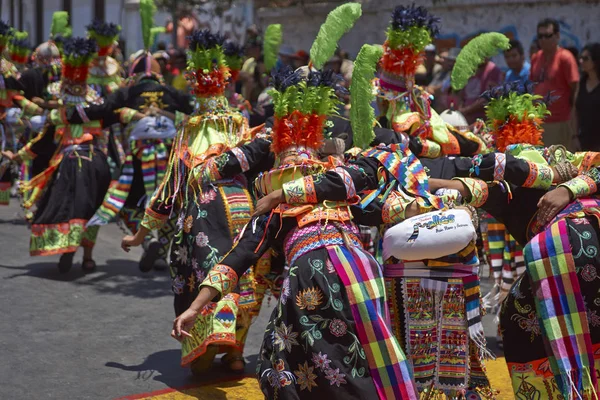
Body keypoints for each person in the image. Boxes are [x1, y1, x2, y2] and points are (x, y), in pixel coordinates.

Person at [121, 30, 263, 375]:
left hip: (204, 214)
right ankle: (234, 352)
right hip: (243, 208)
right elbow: (259, 166)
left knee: (201, 276)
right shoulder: (241, 123)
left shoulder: (187, 130)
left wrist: (141, 234)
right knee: (242, 276)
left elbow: (170, 187)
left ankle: (206, 345)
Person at [4, 37, 114, 273]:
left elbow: (41, 144)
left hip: (70, 162)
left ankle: (68, 248)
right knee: (92, 208)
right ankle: (88, 257)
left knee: (69, 206)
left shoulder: (59, 116)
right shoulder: (98, 112)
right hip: (97, 161)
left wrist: (17, 156)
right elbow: (118, 119)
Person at [530, 18, 580, 149]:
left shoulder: (565, 57)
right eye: (540, 36)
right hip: (539, 122)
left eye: (548, 35)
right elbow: (533, 87)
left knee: (560, 164)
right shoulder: (536, 58)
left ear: (557, 36)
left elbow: (575, 89)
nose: (543, 40)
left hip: (560, 121)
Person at [457, 58, 504, 124]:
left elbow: (487, 99)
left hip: (482, 123)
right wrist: (460, 108)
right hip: (465, 120)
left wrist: (466, 110)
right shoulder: (469, 70)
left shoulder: (493, 70)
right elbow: (462, 93)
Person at [576, 43, 600, 151]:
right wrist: (574, 136)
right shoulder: (581, 83)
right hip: (584, 140)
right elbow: (574, 111)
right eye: (580, 58)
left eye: (585, 58)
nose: (581, 61)